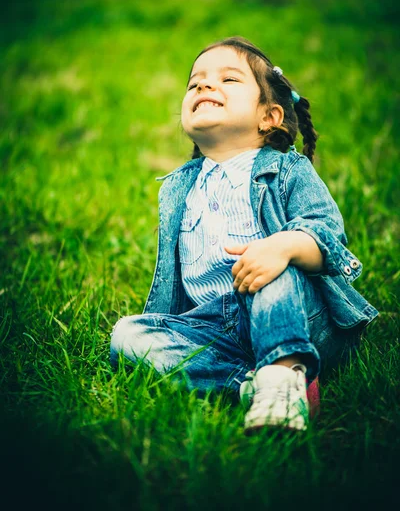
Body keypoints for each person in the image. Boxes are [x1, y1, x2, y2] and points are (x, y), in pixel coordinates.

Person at [110, 36, 378, 433]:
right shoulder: (179, 188)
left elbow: (326, 235)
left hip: (293, 314)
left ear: (269, 116)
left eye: (228, 79)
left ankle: (286, 367)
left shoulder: (288, 170)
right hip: (215, 329)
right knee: (128, 336)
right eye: (194, 83)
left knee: (270, 263)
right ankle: (253, 384)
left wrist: (283, 247)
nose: (203, 86)